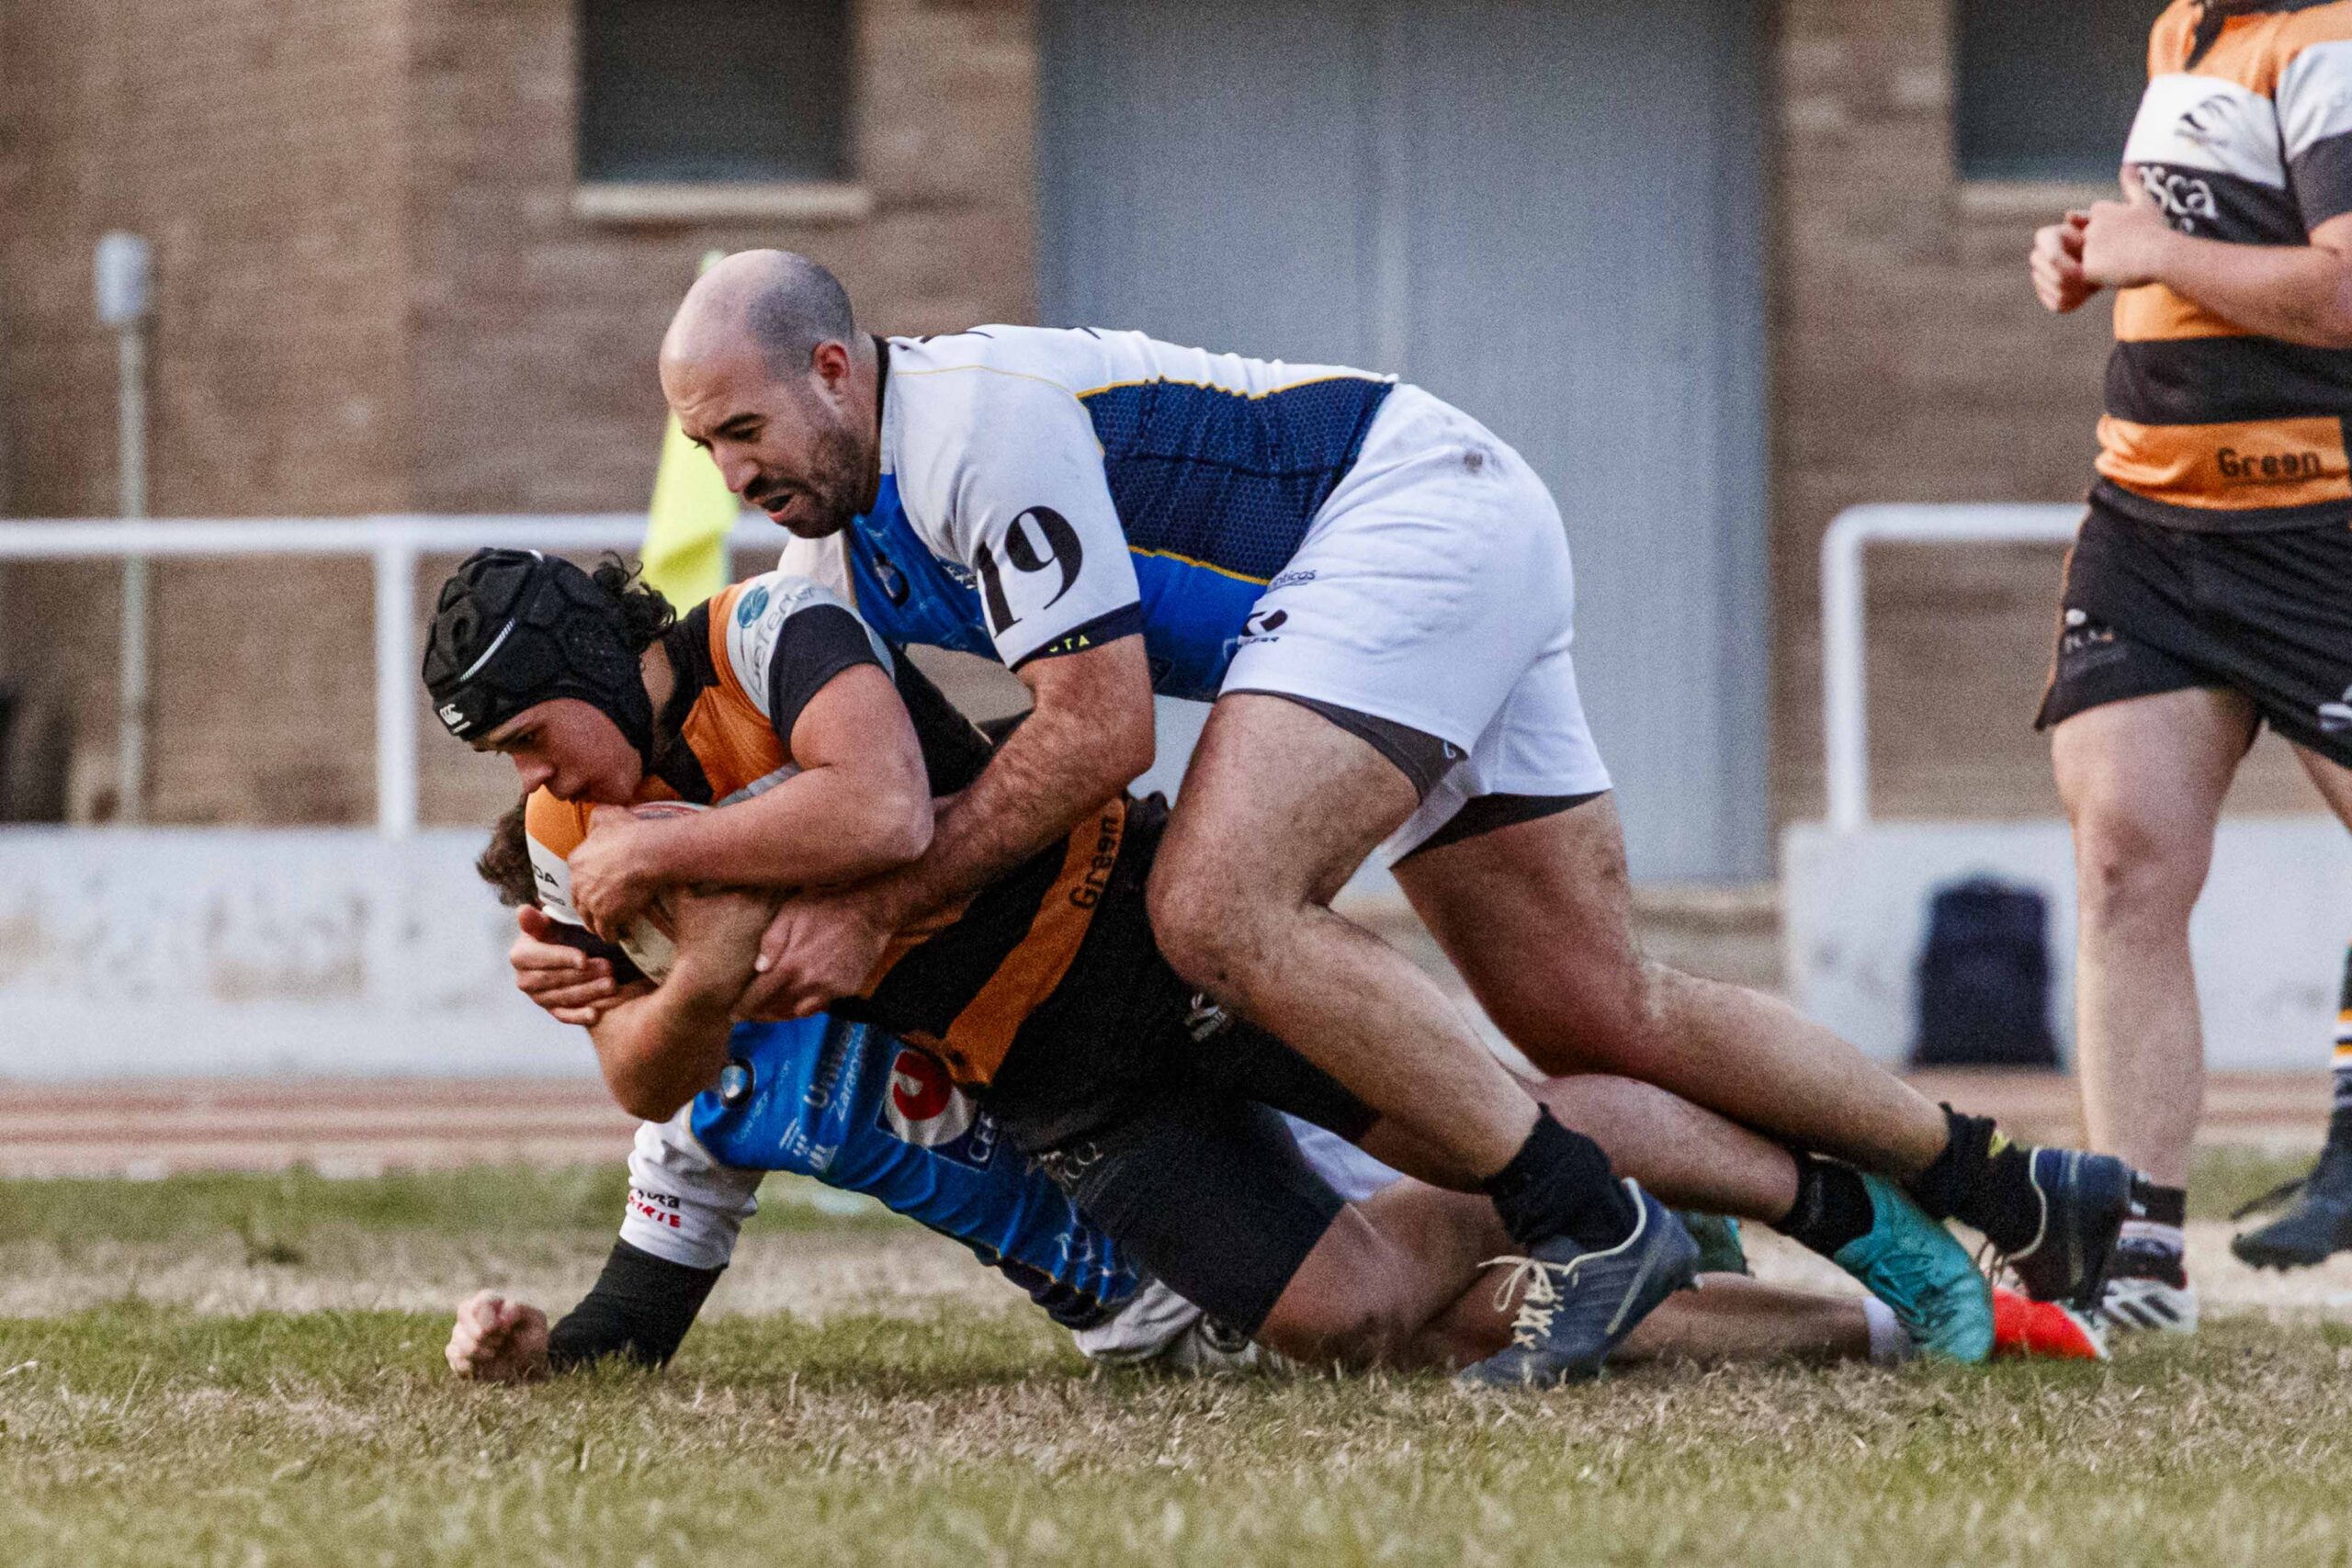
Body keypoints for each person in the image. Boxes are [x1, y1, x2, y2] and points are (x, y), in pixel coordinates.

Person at [617, 250, 2131, 1360]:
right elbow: (849, 794)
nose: (732, 472)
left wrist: (877, 906)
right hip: (1437, 539)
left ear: (833, 370)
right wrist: (582, 931)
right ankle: (2008, 1185)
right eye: (703, 447)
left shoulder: (968, 430)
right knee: (1594, 1007)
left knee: (1211, 908)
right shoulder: (833, 564)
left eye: (742, 430)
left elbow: (1098, 735)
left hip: (1406, 528)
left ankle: (1592, 1223)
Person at [424, 551, 2000, 1374]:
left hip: (1139, 925)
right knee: (1342, 1327)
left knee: (1496, 1108)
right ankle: (1623, 1214)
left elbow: (884, 802)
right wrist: (694, 980)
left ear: (574, 664)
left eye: (523, 731)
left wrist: (682, 862)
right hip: (1047, 1081)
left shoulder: (766, 631)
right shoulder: (576, 831)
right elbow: (646, 1074)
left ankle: (1853, 1211)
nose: (534, 776)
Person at [448, 811, 2105, 1383]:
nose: (659, 924)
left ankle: (1840, 1208)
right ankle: (1890, 1325)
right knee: (1523, 1327)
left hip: (1225, 1152)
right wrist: (535, 1350)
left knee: (1510, 1151)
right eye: (613, 922)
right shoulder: (697, 1111)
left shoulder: (852, 923)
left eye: (646, 889)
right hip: (1153, 1314)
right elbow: (637, 1317)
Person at [2026, 0, 2352, 1332]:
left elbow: (2339, 285)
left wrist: (2156, 246)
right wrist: (2103, 256)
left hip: (2324, 529)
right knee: (2123, 861)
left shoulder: (2326, 37)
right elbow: (2204, 236)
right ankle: (2140, 1251)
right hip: (2153, 523)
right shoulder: (2186, 32)